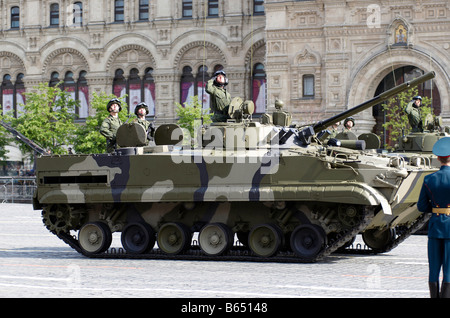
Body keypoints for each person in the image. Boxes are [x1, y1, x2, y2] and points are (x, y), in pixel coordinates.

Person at [417, 137, 450, 298]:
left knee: (434, 269)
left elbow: (421, 206)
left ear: (438, 158)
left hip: (435, 226)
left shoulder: (429, 179)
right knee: (449, 270)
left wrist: (437, 209)